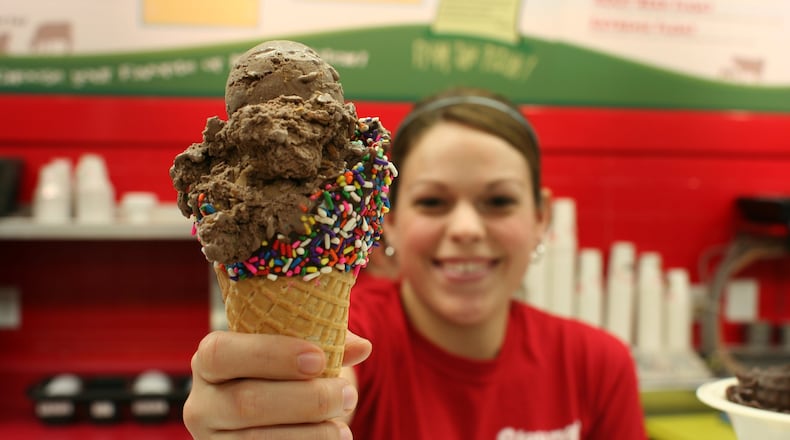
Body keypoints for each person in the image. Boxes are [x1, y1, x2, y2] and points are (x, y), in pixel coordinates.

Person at [183, 87, 647, 439]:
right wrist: (279, 408)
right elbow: (335, 382)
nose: (466, 229)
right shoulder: (358, 335)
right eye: (432, 202)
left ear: (541, 217)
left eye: (498, 201)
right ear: (389, 219)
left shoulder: (597, 366)